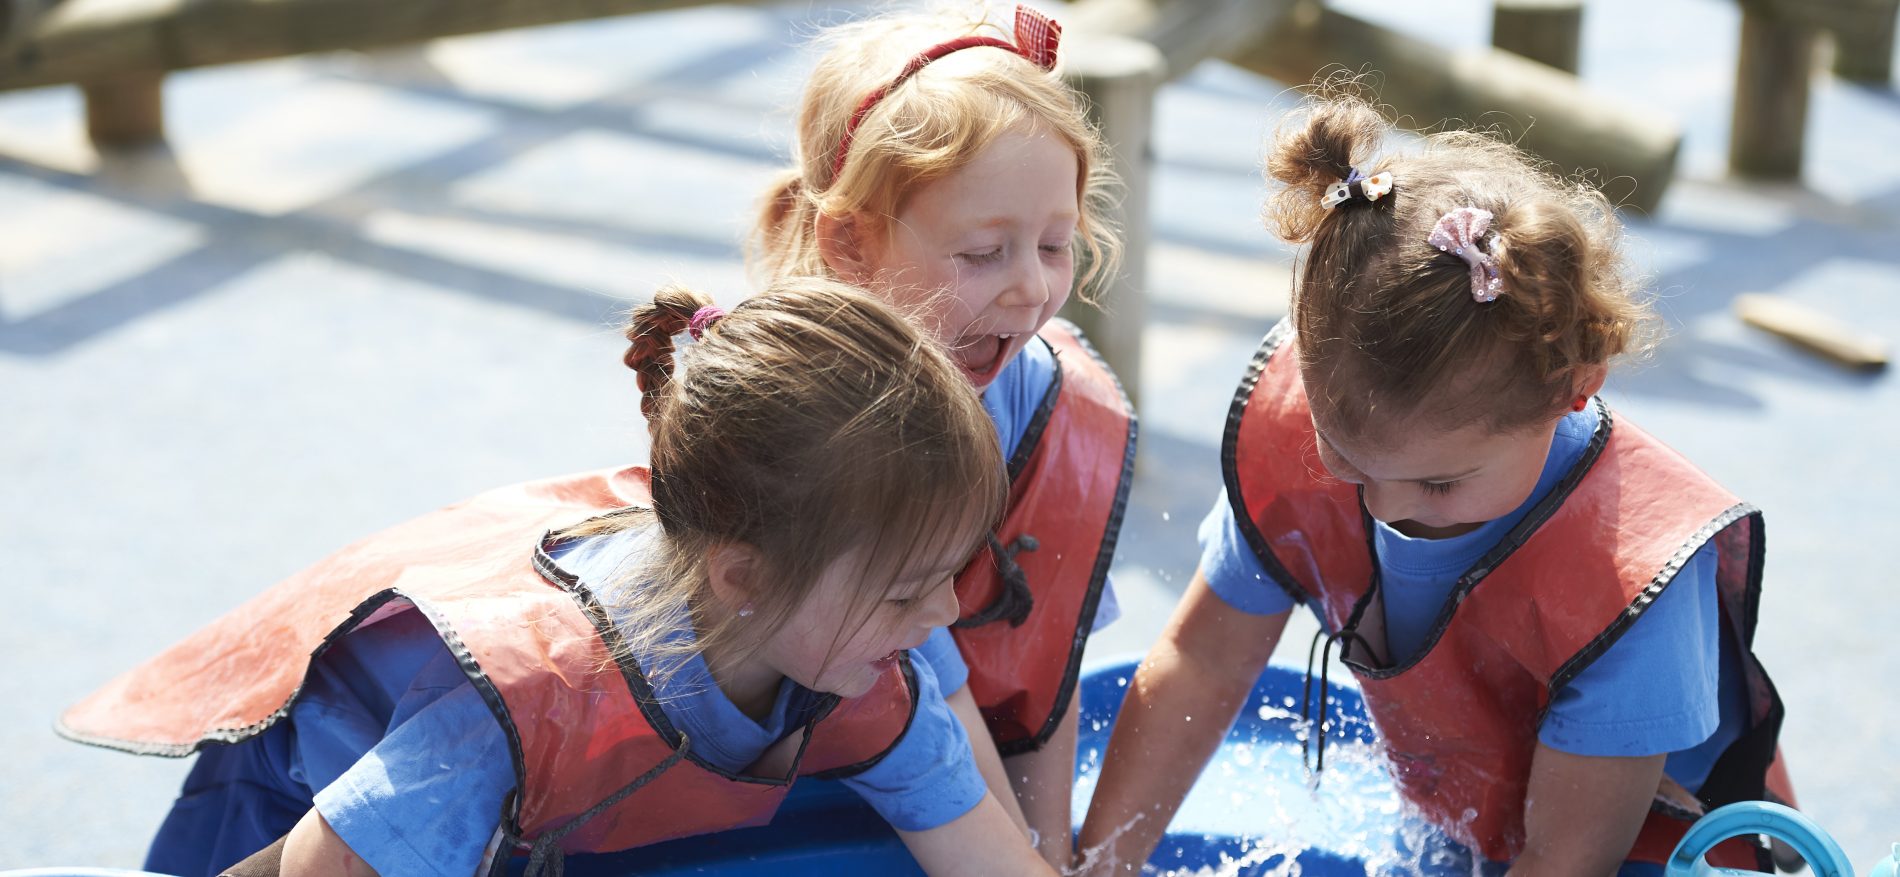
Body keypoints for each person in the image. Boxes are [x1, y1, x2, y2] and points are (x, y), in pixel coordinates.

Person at [60, 279, 1061, 877]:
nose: (943, 615)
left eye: (949, 573)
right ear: (743, 573)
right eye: (904, 589)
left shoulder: (862, 671)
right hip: (292, 817)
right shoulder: (529, 710)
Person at [1075, 91, 1795, 876]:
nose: (1382, 506)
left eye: (1440, 483)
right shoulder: (1339, 412)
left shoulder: (1628, 579)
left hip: (1649, 853)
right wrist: (1100, 863)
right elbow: (1205, 661)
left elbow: (1565, 859)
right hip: (1473, 809)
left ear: (1574, 388)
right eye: (1343, 457)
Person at [750, 6, 1135, 863]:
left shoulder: (1041, 396)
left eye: (1056, 244)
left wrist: (1056, 848)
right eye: (982, 253)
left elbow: (1048, 664)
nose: (1031, 289)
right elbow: (932, 694)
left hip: (948, 757)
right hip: (806, 772)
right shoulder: (802, 408)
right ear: (850, 243)